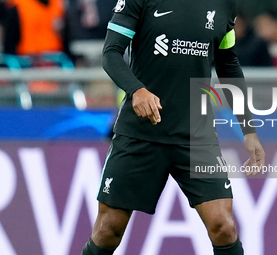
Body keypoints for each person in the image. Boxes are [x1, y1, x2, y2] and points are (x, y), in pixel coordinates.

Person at [81, 0, 265, 254]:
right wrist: (137, 90)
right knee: (107, 231)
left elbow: (228, 65)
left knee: (223, 226)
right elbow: (111, 53)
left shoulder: (225, 5)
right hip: (141, 134)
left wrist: (248, 128)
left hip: (196, 136)